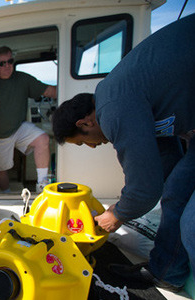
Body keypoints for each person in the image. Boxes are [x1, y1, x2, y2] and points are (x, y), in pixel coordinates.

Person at [51, 14, 195, 293]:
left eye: (84, 143)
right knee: (176, 192)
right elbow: (164, 166)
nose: (93, 146)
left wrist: (116, 214)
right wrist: (135, 201)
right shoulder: (121, 97)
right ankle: (167, 272)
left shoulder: (113, 107)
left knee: (191, 223)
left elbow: (144, 190)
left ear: (85, 123)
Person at [0, 46, 57, 193]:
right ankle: (6, 195)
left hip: (18, 127)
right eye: (2, 63)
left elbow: (50, 91)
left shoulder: (23, 78)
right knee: (1, 169)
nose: (7, 66)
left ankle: (42, 186)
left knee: (43, 139)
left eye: (10, 61)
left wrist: (73, 91)